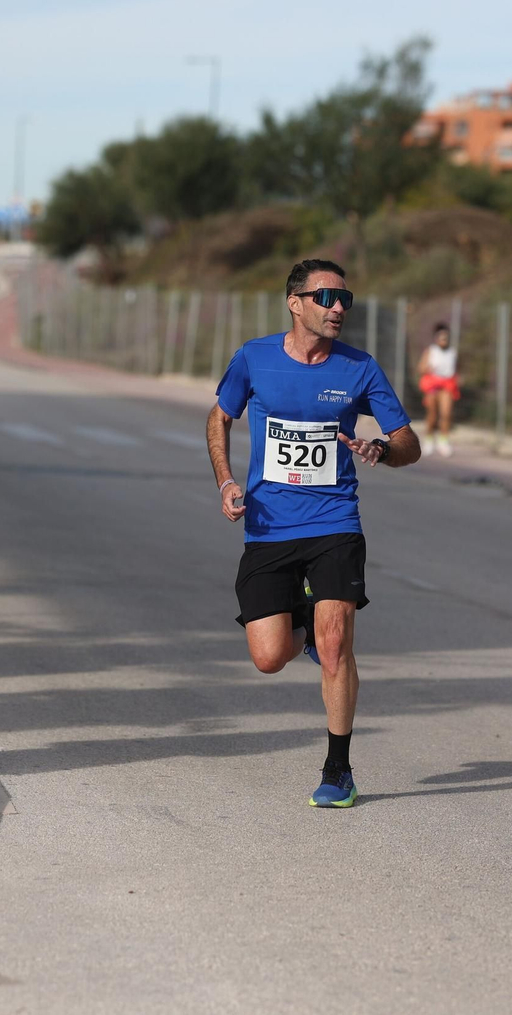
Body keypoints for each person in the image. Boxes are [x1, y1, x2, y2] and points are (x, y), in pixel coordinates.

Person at [207, 259, 420, 808]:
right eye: (326, 297)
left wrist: (382, 449)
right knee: (268, 657)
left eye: (345, 298)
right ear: (295, 303)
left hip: (334, 522)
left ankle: (338, 769)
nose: (338, 307)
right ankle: (301, 620)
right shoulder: (254, 358)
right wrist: (226, 480)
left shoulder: (359, 368)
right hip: (269, 526)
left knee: (335, 646)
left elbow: (409, 443)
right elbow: (220, 416)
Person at [416, 322, 459, 456]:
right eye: (441, 337)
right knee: (432, 415)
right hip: (433, 385)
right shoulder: (430, 351)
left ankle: (443, 441)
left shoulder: (452, 353)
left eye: (446, 338)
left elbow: (457, 369)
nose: (443, 340)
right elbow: (421, 368)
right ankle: (429, 440)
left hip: (447, 386)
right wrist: (427, 369)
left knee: (446, 414)